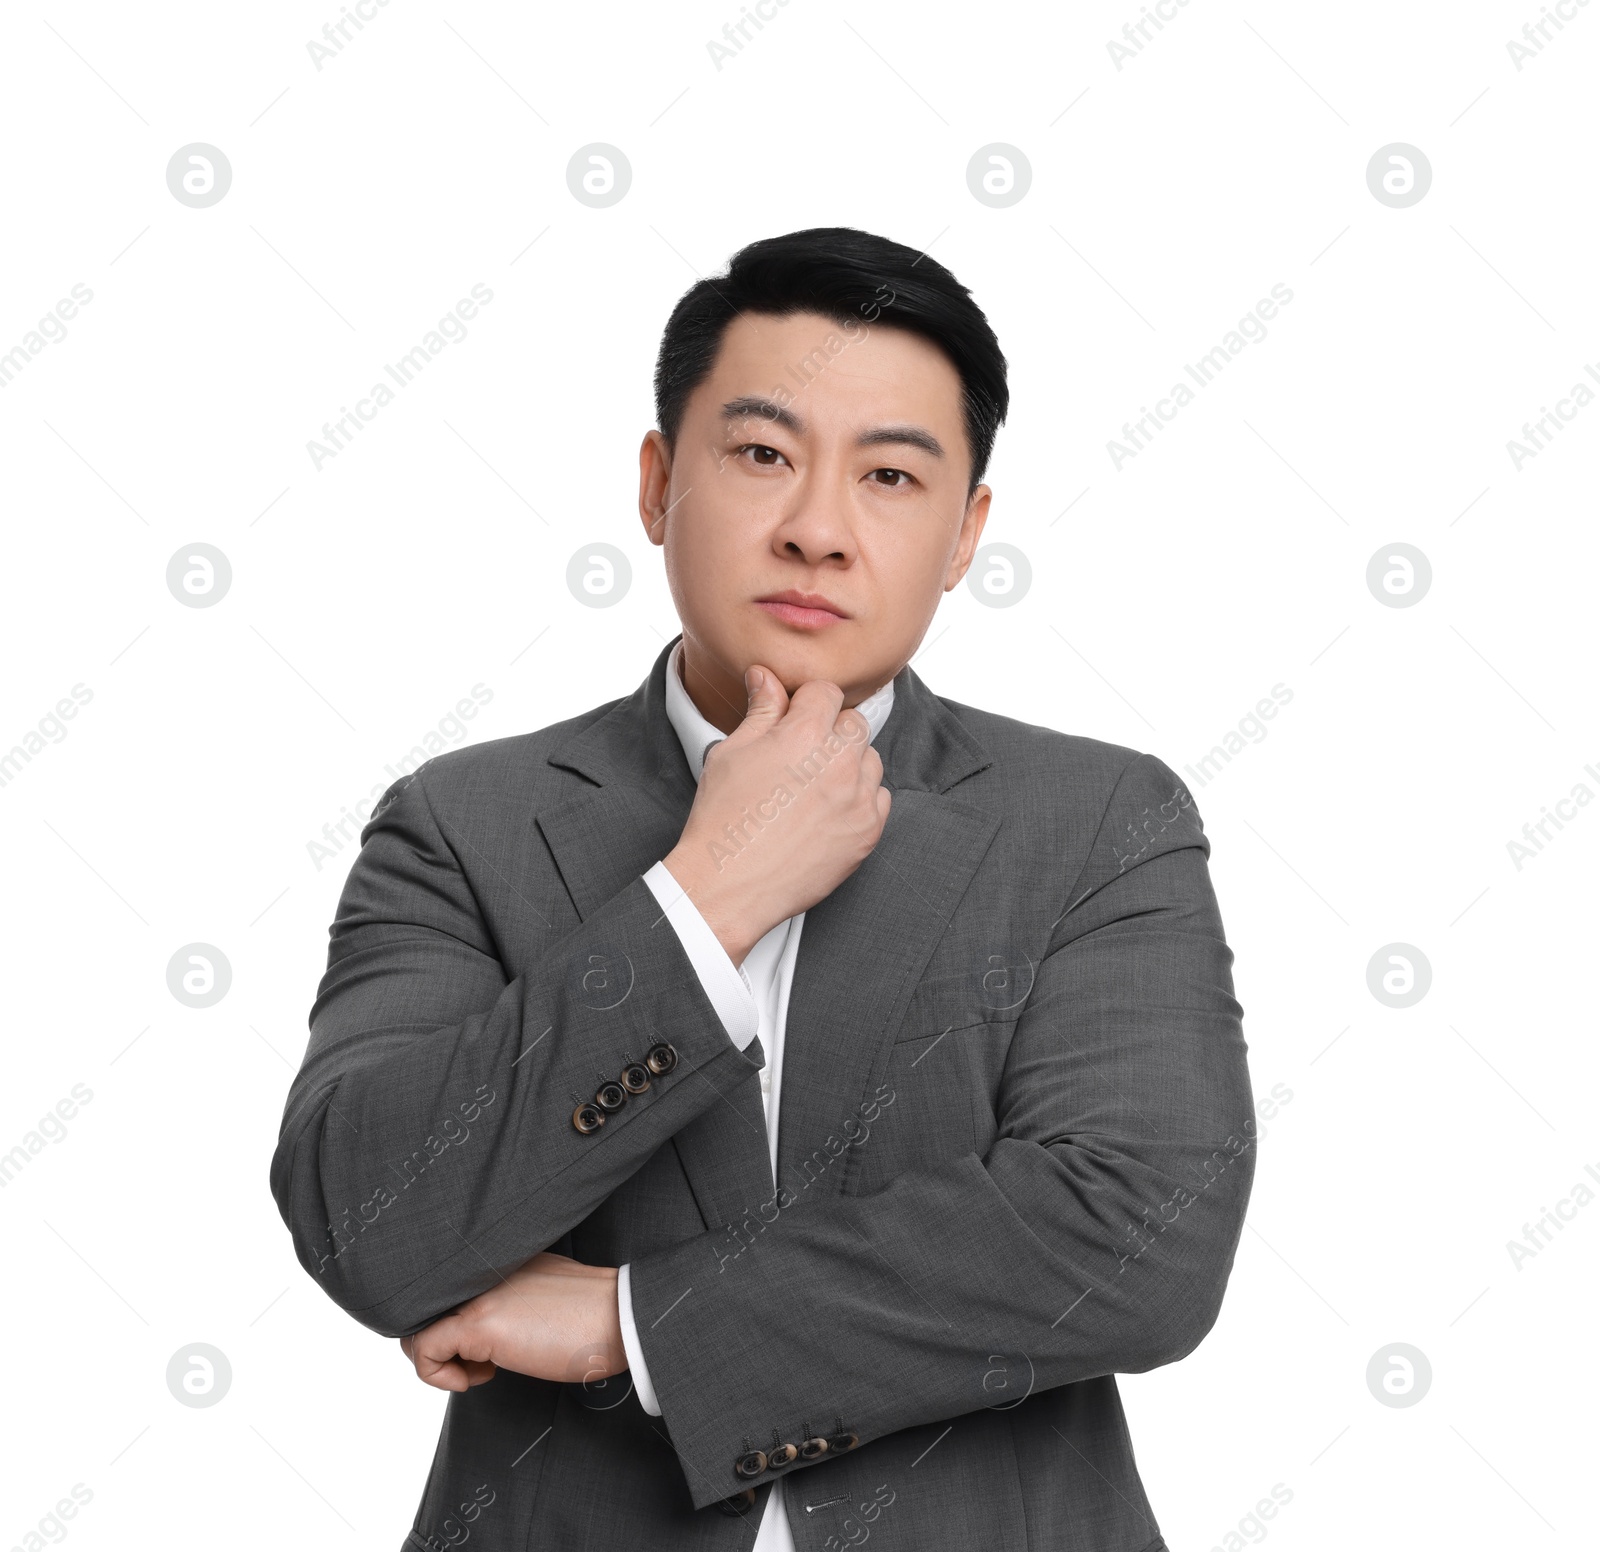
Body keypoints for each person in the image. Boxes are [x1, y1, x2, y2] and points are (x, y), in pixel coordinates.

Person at [270, 225, 1256, 1551]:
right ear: (656, 484)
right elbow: (371, 1224)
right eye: (762, 455)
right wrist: (704, 899)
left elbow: (1143, 1243)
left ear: (965, 534)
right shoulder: (465, 822)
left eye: (893, 476)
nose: (818, 531)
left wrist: (634, 1324)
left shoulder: (1097, 824)